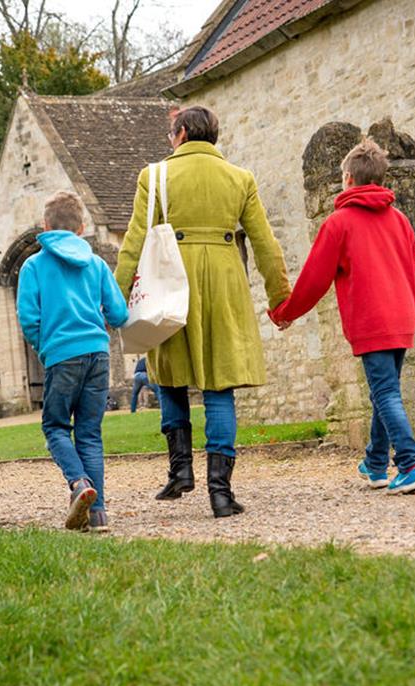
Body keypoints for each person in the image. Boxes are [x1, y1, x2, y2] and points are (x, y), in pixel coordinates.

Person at [115, 106, 290, 518]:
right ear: (212, 136)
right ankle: (221, 492)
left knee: (168, 377)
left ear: (179, 134)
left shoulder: (154, 176)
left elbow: (135, 240)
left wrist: (115, 296)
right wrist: (280, 297)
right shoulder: (240, 178)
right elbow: (265, 244)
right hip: (223, 285)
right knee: (219, 386)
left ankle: (181, 472)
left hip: (169, 283)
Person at [269, 139, 415, 495]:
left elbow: (314, 278)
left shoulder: (339, 223)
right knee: (384, 393)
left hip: (372, 321)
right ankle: (374, 464)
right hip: (402, 317)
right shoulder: (400, 220)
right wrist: (410, 316)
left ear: (347, 178)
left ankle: (410, 464)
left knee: (385, 393)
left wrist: (285, 313)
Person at [17, 191, 129, 531]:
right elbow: (120, 313)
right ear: (81, 227)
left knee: (55, 427)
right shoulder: (95, 263)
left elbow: (28, 317)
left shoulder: (34, 265)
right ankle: (98, 515)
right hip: (98, 352)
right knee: (90, 434)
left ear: (46, 226)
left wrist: (45, 346)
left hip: (61, 356)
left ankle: (79, 483)